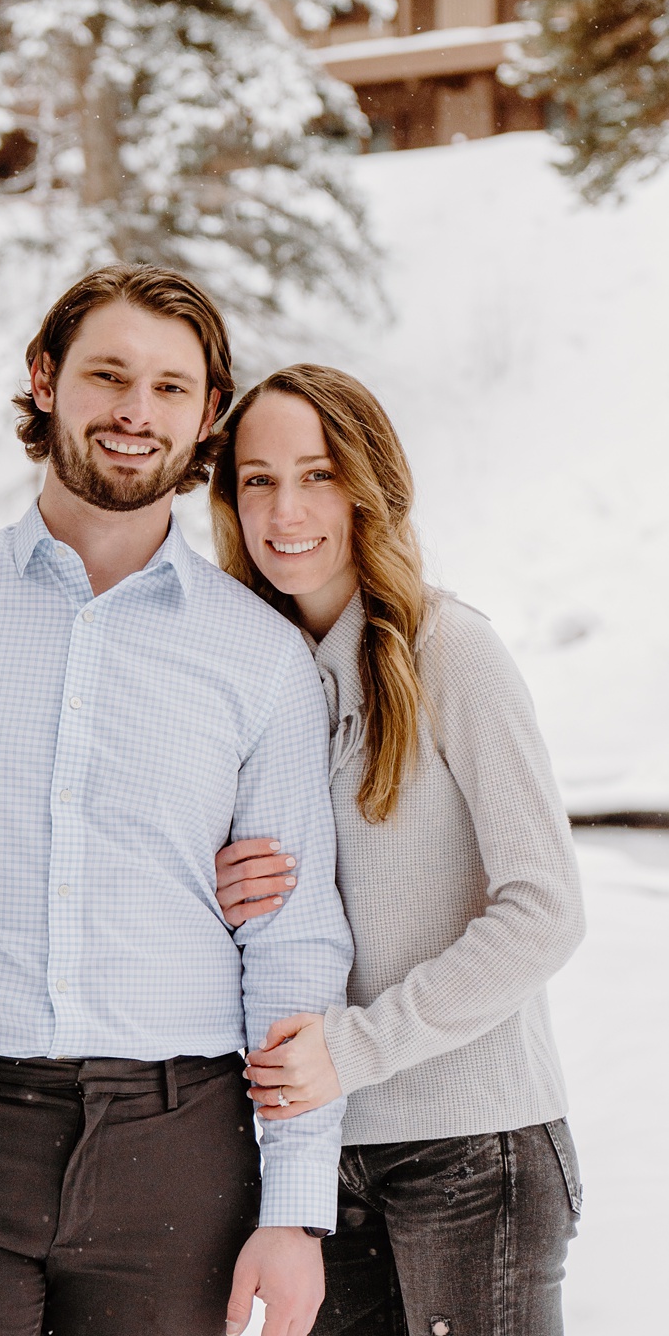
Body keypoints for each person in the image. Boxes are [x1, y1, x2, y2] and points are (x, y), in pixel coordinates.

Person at [0, 269, 355, 1336]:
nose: (139, 412)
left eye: (173, 388)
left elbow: (291, 937)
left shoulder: (259, 657)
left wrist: (298, 1204)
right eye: (109, 375)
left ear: (208, 413)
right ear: (45, 381)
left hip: (180, 1153)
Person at [209, 364, 586, 1336]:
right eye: (257, 479)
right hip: (322, 1158)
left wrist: (359, 1047)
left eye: (317, 474)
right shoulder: (250, 679)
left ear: (369, 486)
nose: (286, 510)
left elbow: (546, 909)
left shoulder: (451, 650)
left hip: (471, 1148)